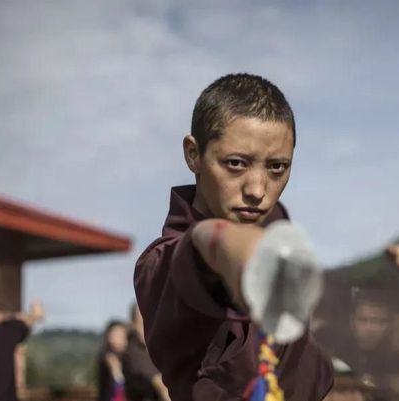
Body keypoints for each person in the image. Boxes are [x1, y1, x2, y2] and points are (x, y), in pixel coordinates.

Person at [134, 73, 333, 400]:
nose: (257, 190)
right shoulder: (158, 266)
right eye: (236, 163)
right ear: (193, 154)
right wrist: (241, 254)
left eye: (277, 167)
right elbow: (204, 248)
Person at [122, 304, 170, 401]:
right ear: (133, 325)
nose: (150, 327)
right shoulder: (135, 352)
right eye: (143, 322)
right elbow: (161, 386)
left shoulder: (159, 348)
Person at [97, 320, 129, 401]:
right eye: (114, 335)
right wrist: (116, 370)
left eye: (120, 335)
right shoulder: (108, 358)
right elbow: (118, 387)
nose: (114, 339)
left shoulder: (131, 358)